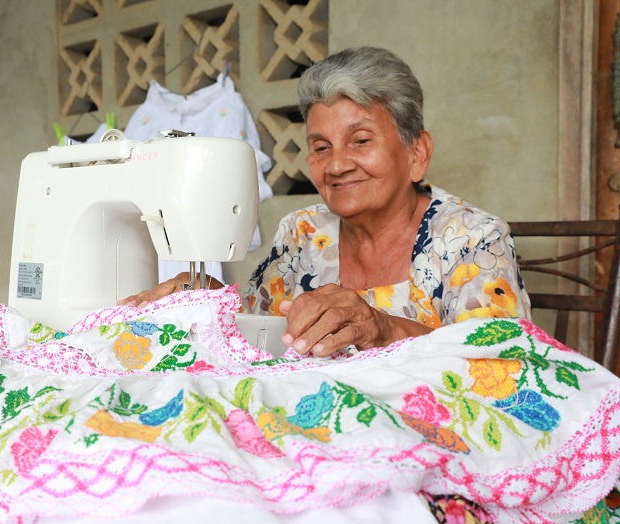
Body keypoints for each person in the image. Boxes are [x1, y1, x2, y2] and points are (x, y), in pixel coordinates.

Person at [118, 46, 531, 357]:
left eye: (361, 141)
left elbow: (504, 362)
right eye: (320, 146)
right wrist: (207, 300)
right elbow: (259, 337)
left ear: (416, 154)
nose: (335, 165)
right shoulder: (302, 234)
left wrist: (382, 329)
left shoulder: (473, 239)